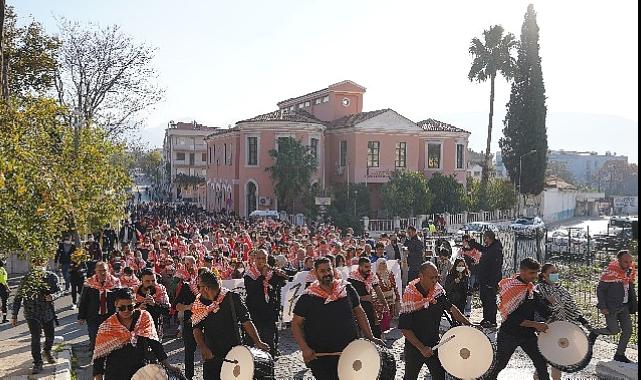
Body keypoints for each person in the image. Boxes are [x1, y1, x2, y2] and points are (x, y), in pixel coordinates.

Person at [292, 257, 384, 380]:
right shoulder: (308, 297)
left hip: (349, 351)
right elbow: (296, 324)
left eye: (328, 270)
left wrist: (370, 336)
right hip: (321, 356)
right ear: (315, 273)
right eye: (322, 271)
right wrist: (305, 348)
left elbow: (359, 312)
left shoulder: (347, 289)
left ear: (333, 270)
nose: (326, 274)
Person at [399, 261, 472, 380]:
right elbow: (404, 328)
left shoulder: (437, 292)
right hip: (414, 347)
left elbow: (452, 309)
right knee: (410, 377)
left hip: (434, 344)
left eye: (436, 277)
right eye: (431, 278)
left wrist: (469, 324)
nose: (434, 281)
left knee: (439, 376)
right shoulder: (410, 296)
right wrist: (422, 348)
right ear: (421, 276)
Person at [192, 270, 269, 380]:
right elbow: (196, 328)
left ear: (206, 288)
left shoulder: (232, 298)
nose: (198, 290)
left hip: (233, 352)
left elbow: (246, 321)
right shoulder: (199, 303)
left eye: (199, 286)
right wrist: (203, 347)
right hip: (212, 355)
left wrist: (258, 342)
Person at [92, 288, 179, 380]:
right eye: (122, 307)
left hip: (140, 371)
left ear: (135, 304)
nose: (126, 311)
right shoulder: (107, 326)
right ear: (116, 304)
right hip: (115, 373)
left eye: (130, 307)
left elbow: (155, 344)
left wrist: (168, 366)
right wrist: (99, 377)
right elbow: (99, 357)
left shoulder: (143, 318)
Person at [487, 258, 551, 379]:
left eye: (536, 272)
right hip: (509, 334)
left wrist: (550, 305)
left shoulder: (530, 288)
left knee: (541, 363)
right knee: (500, 365)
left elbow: (541, 308)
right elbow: (512, 318)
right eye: (532, 273)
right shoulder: (510, 288)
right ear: (522, 271)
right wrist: (536, 325)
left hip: (527, 335)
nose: (535, 276)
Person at [535, 263, 593, 380]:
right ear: (543, 275)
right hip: (547, 329)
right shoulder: (539, 288)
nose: (555, 275)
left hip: (562, 329)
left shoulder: (562, 290)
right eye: (552, 272)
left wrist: (584, 322)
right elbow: (536, 308)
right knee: (544, 360)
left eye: (556, 272)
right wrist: (547, 303)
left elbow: (572, 308)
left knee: (558, 360)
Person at [11, 262, 61, 374]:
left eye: (41, 263)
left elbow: (59, 291)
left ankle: (47, 351)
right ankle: (37, 362)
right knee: (36, 337)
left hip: (47, 312)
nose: (39, 266)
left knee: (50, 336)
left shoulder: (51, 277)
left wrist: (52, 296)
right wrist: (14, 315)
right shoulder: (27, 279)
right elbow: (18, 297)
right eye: (36, 263)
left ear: (46, 264)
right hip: (32, 312)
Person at [590, 250, 637, 363]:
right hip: (611, 308)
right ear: (619, 261)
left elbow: (630, 289)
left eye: (630, 261)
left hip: (624, 306)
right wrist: (603, 306)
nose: (629, 264)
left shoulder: (629, 272)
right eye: (626, 262)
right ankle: (595, 332)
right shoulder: (610, 273)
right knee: (614, 330)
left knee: (628, 330)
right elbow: (600, 290)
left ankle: (619, 354)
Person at [244, 249, 287, 355]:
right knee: (251, 341)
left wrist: (280, 274)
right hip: (255, 312)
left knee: (269, 341)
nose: (261, 261)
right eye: (258, 258)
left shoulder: (271, 273)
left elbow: (283, 283)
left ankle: (270, 360)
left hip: (268, 313)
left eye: (264, 258)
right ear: (254, 259)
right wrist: (262, 276)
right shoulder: (249, 275)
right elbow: (252, 290)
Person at [78, 261, 121, 350]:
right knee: (94, 336)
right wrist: (81, 317)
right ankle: (95, 355)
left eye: (104, 270)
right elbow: (83, 301)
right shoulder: (89, 283)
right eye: (99, 270)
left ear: (108, 270)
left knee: (109, 337)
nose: (102, 273)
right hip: (93, 315)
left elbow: (120, 299)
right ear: (95, 271)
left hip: (109, 315)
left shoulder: (115, 282)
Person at [348, 257, 389, 339]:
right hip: (357, 308)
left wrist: (385, 304)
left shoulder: (371, 276)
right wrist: (362, 298)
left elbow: (378, 291)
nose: (369, 269)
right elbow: (349, 297)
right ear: (360, 267)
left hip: (369, 307)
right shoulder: (352, 278)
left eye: (370, 267)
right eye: (366, 267)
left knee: (375, 329)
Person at [468, 230, 503, 328]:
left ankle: (491, 320)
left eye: (485, 238)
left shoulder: (496, 250)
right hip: (484, 280)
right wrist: (473, 243)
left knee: (490, 301)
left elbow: (495, 268)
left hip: (490, 281)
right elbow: (483, 250)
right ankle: (486, 318)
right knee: (484, 299)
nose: (484, 240)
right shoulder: (490, 248)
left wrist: (493, 282)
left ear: (488, 238)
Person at [174, 256, 200, 380]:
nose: (190, 267)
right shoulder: (185, 285)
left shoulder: (207, 283)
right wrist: (190, 307)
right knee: (189, 351)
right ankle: (189, 377)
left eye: (192, 264)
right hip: (190, 322)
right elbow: (176, 305)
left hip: (207, 323)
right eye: (187, 264)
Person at [135, 268, 171, 332]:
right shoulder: (134, 291)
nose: (151, 283)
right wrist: (138, 308)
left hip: (155, 326)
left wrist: (154, 304)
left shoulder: (160, 289)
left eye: (153, 281)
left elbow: (168, 310)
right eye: (147, 281)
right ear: (141, 280)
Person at [373, 259, 400, 333]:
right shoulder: (376, 275)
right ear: (378, 265)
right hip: (381, 298)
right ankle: (383, 330)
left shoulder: (390, 273)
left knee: (390, 313)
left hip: (390, 297)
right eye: (381, 263)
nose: (383, 265)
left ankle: (387, 329)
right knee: (383, 314)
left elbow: (394, 285)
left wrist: (397, 295)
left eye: (384, 263)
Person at [458, 235, 481, 316]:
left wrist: (472, 260)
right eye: (463, 241)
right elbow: (458, 259)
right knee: (463, 290)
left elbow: (478, 260)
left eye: (465, 241)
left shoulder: (475, 250)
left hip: (472, 273)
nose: (464, 243)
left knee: (470, 291)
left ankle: (468, 309)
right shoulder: (462, 250)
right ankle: (462, 308)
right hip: (464, 273)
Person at [0, 259, 8, 323]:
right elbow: (3, 281)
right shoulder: (2, 269)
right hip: (2, 287)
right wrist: (8, 288)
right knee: (4, 302)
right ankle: (4, 319)